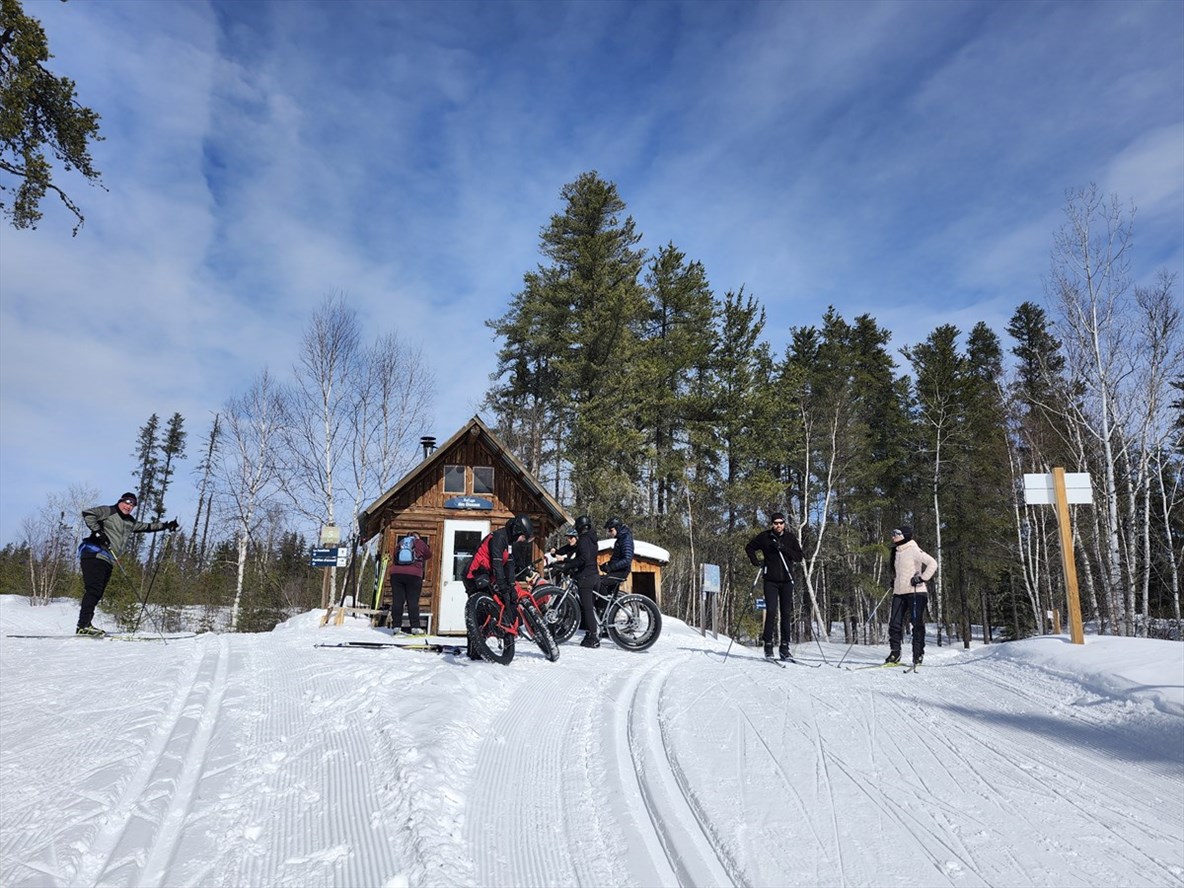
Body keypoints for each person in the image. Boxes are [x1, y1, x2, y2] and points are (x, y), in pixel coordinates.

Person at [76, 492, 178, 636]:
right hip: (94, 553)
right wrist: (98, 532)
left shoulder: (130, 522)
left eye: (132, 505)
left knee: (97, 592)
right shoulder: (109, 511)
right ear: (120, 501)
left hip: (108, 559)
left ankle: (85, 624)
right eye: (127, 502)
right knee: (93, 590)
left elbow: (147, 527)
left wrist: (166, 525)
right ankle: (82, 626)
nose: (129, 506)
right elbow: (88, 513)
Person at [464, 514, 534, 657]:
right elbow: (497, 564)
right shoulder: (499, 537)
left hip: (486, 575)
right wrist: (502, 584)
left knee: (498, 603)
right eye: (523, 537)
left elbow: (508, 565)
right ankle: (474, 650)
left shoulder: (508, 542)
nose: (523, 540)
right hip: (474, 574)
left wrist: (511, 584)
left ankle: (490, 638)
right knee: (479, 613)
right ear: (517, 531)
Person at [745, 512, 804, 660]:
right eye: (776, 523)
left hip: (787, 580)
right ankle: (768, 645)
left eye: (781, 523)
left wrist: (783, 548)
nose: (778, 525)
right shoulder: (765, 537)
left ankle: (784, 647)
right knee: (771, 611)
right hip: (770, 580)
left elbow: (799, 556)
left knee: (786, 613)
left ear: (784, 523)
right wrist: (756, 561)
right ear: (772, 524)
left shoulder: (790, 538)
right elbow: (749, 547)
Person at [885, 525, 937, 666]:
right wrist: (895, 581)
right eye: (892, 533)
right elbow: (901, 572)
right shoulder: (896, 552)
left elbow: (933, 563)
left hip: (916, 592)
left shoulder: (914, 549)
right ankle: (895, 653)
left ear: (905, 535)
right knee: (894, 625)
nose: (893, 536)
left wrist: (922, 578)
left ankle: (918, 655)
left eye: (896, 533)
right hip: (899, 593)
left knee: (917, 624)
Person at [563, 515, 601, 648]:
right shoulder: (592, 539)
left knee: (588, 609)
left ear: (579, 527)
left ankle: (593, 637)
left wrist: (569, 565)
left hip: (586, 578)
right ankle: (589, 633)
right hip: (594, 576)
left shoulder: (584, 539)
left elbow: (584, 558)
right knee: (590, 607)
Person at [388, 531, 431, 635]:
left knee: (398, 601)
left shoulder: (401, 543)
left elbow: (395, 556)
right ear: (417, 537)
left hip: (396, 574)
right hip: (414, 575)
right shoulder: (420, 543)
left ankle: (396, 626)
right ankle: (415, 627)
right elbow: (429, 555)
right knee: (412, 601)